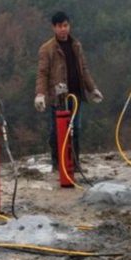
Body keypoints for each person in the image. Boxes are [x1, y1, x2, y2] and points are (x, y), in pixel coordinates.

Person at [34, 11, 103, 168]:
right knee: (57, 131)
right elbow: (42, 73)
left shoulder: (76, 45)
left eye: (65, 25)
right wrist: (40, 94)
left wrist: (92, 89)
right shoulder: (47, 49)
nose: (63, 29)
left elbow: (83, 69)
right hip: (58, 98)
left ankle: (74, 162)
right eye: (60, 26)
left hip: (76, 95)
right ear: (54, 27)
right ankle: (58, 163)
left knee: (76, 129)